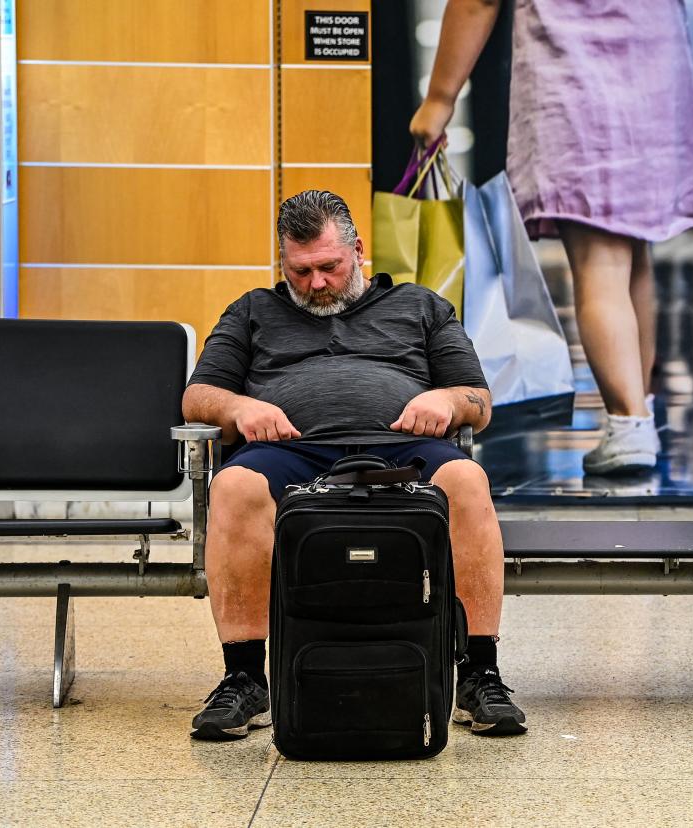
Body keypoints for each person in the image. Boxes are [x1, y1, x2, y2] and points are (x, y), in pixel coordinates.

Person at [182, 190, 526, 741]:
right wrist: (238, 406)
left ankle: (478, 673)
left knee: (466, 477)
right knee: (234, 486)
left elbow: (477, 402)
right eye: (300, 271)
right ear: (282, 262)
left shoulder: (420, 306)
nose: (316, 284)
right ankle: (244, 679)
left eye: (329, 267)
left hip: (399, 445)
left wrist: (448, 402)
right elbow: (198, 398)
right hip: (291, 448)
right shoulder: (252, 310)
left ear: (358, 250)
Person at [410, 0, 693, 476]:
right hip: (656, 70)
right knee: (633, 255)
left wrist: (440, 99)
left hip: (578, 78)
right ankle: (641, 414)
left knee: (599, 262)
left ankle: (629, 420)